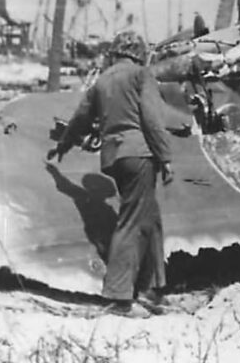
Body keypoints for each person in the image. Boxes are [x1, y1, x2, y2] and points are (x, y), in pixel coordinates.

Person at [47, 30, 175, 314]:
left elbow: (81, 118)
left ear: (116, 52)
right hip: (139, 153)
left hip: (113, 157)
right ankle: (119, 298)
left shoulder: (102, 81)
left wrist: (64, 144)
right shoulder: (142, 75)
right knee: (132, 220)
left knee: (149, 218)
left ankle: (153, 288)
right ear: (138, 53)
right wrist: (165, 157)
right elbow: (152, 120)